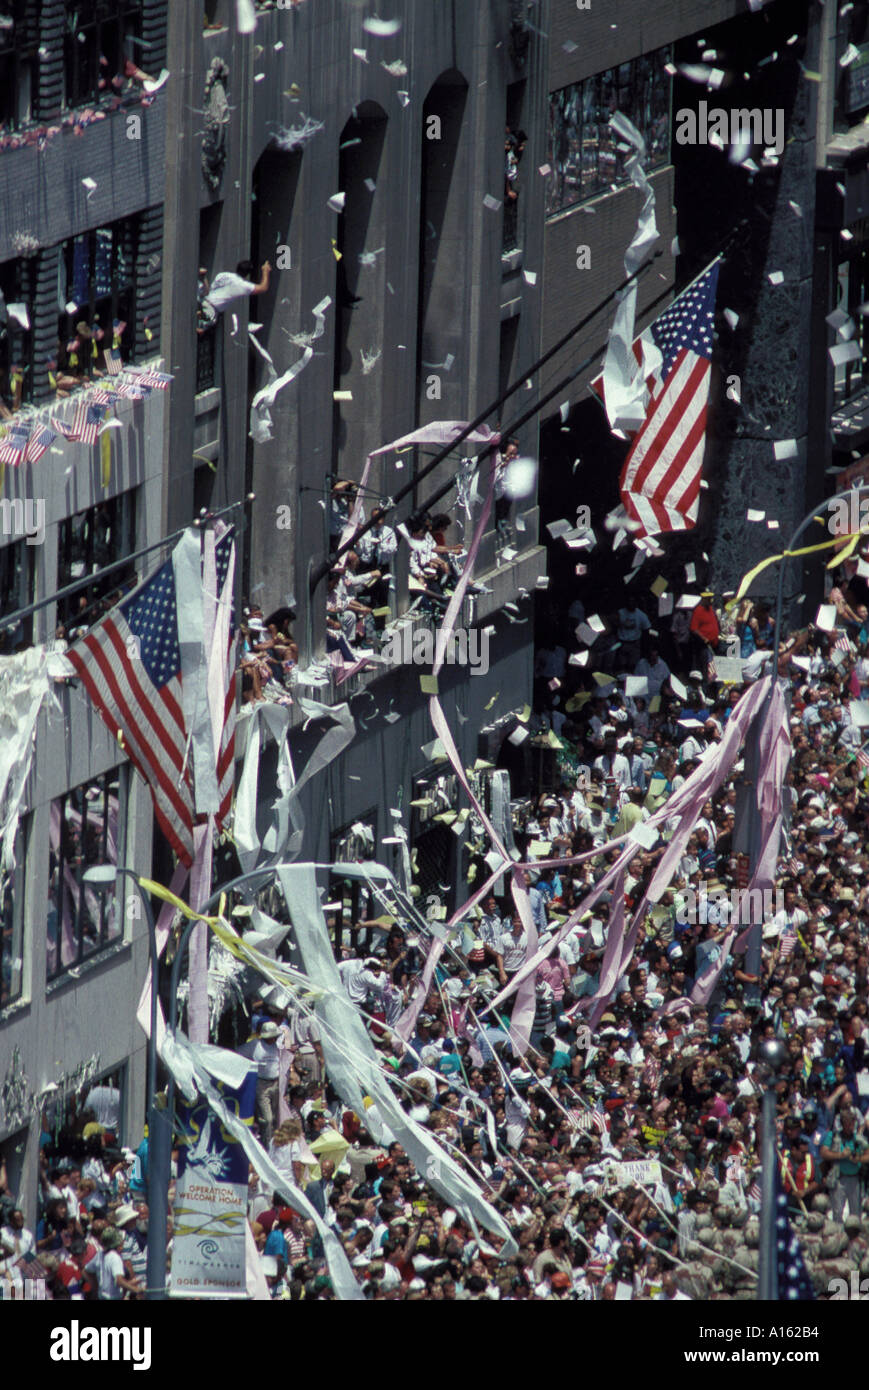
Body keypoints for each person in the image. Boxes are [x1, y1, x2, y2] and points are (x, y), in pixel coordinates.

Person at [239, 1020, 282, 1150]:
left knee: (275, 1118)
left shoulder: (278, 1045)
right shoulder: (254, 1045)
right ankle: (267, 1147)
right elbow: (238, 1053)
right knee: (267, 1119)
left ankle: (274, 1144)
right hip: (261, 1084)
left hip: (276, 1082)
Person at [200, 259, 272, 322]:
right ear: (247, 274)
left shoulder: (222, 275)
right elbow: (263, 288)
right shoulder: (242, 285)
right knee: (201, 331)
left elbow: (211, 290)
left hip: (204, 301)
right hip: (212, 309)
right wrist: (265, 271)